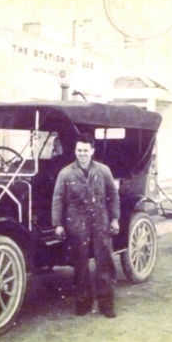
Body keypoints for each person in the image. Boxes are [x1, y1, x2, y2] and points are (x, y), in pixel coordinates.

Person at [52, 133, 120, 318]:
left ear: (92, 151)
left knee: (104, 264)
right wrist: (57, 224)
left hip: (100, 222)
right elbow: (58, 199)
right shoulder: (65, 173)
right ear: (75, 151)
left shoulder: (103, 171)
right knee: (80, 266)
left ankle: (106, 305)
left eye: (85, 150)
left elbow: (113, 195)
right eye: (78, 150)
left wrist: (114, 219)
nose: (81, 154)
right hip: (76, 224)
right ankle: (83, 303)